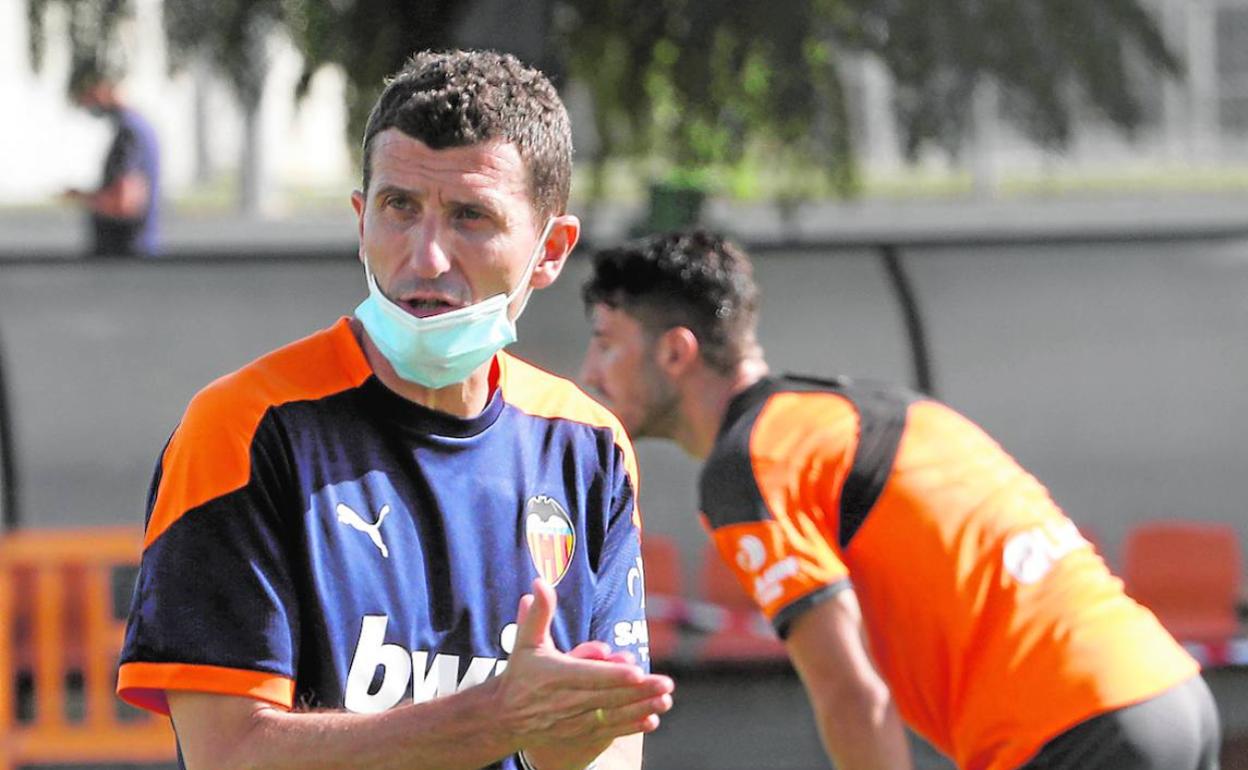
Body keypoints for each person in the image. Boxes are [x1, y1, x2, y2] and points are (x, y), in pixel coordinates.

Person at [116, 50, 673, 770]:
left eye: (471, 216)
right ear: (360, 218)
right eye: (399, 207)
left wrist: (568, 731)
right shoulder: (244, 429)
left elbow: (611, 753)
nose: (427, 256)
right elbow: (230, 755)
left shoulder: (587, 444)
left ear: (551, 250)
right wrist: (492, 717)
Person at [578, 228, 1221, 770]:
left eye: (607, 343)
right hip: (1171, 693)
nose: (590, 373)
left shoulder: (749, 464)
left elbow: (850, 691)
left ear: (674, 351)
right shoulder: (857, 408)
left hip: (1078, 727)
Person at [63, 62, 160, 257]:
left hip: (125, 252)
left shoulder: (129, 133)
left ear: (102, 89)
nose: (87, 105)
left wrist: (82, 198)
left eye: (87, 96)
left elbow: (124, 200)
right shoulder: (136, 127)